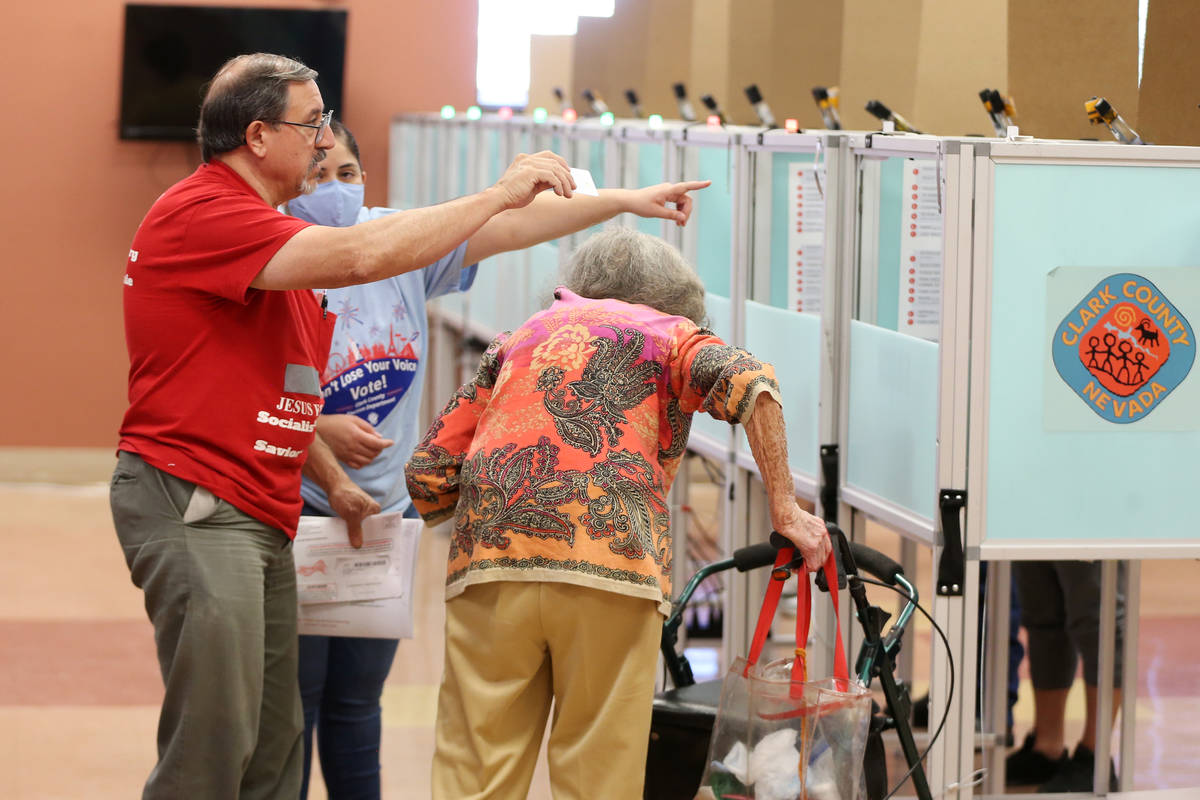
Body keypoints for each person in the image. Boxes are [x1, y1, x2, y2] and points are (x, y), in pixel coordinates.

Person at [109, 51, 586, 800]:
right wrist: (497, 195)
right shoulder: (209, 213)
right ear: (260, 136)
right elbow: (363, 254)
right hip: (200, 501)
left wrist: (328, 469)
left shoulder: (267, 232)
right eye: (313, 123)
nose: (326, 141)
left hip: (259, 506)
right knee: (215, 740)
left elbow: (279, 389)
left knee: (272, 744)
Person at [286, 120, 710, 800]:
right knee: (295, 701)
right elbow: (255, 389)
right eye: (315, 176)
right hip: (298, 504)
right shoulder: (281, 254)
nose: (333, 189)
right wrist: (321, 440)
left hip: (381, 515)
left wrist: (628, 200)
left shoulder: (398, 244)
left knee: (359, 702)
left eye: (345, 173)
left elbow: (516, 225)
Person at [404, 228, 833, 800]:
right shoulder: (672, 335)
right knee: (597, 774)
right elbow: (754, 384)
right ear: (674, 298)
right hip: (613, 568)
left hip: (492, 565)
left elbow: (428, 469)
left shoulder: (519, 339)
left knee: (474, 769)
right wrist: (785, 507)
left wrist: (488, 512)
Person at [1005, 562, 1126, 793]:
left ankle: (1095, 757)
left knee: (1098, 618)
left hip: (1091, 527)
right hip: (1030, 526)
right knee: (1043, 614)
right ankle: (1047, 747)